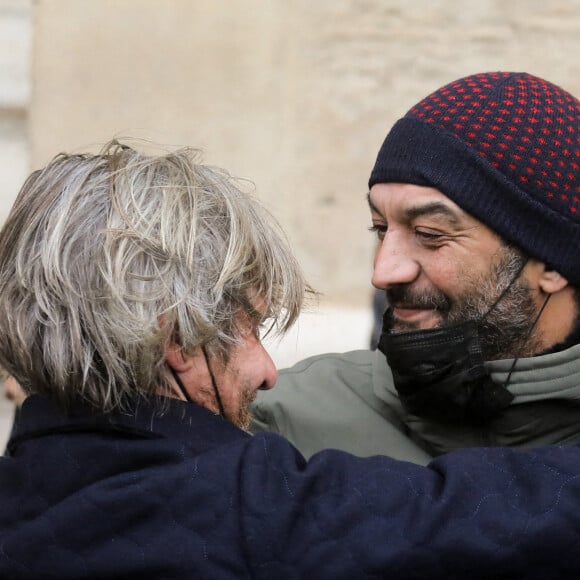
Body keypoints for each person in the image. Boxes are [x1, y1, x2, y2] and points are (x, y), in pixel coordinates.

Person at [4, 139, 580, 578]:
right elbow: (463, 515)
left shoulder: (22, 495)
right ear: (178, 338)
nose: (267, 372)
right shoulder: (250, 506)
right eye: (248, 329)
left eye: (428, 234)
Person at [251, 71, 580, 465]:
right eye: (380, 229)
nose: (383, 272)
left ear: (552, 264)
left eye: (429, 234)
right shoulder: (281, 425)